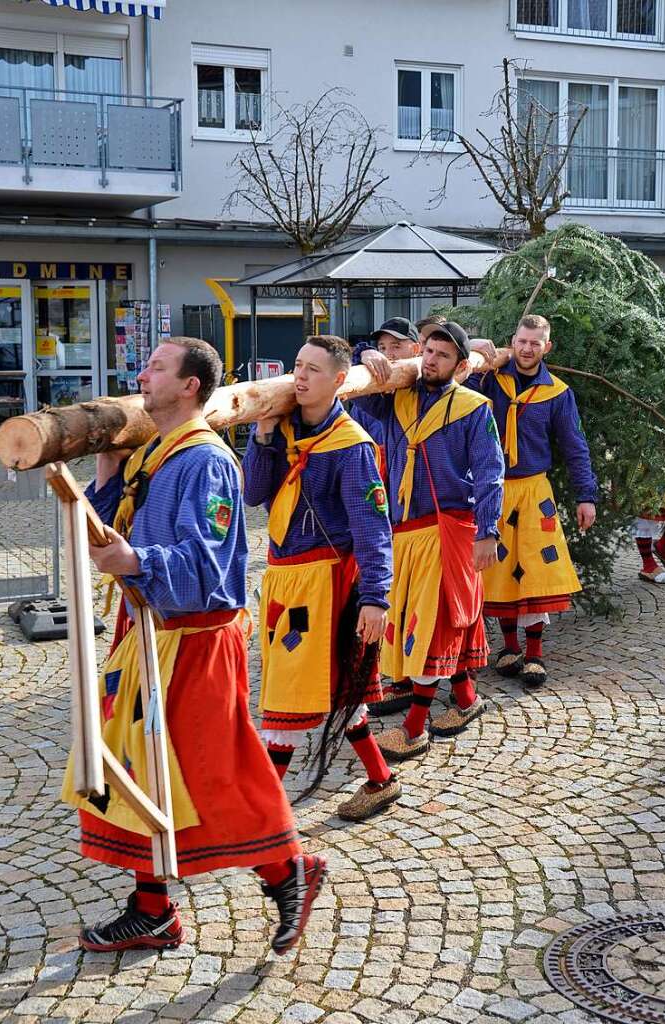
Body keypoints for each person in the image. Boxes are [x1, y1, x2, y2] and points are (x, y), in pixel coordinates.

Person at [61, 337, 326, 956]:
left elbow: (206, 563)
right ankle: (152, 909)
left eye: (157, 367)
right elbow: (111, 529)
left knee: (213, 771)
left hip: (198, 640)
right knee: (139, 771)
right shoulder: (153, 452)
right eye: (145, 365)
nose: (143, 375)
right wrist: (104, 475)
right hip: (149, 633)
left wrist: (136, 558)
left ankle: (290, 872)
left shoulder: (206, 462)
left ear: (190, 386)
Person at [243, 335, 400, 822]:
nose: (300, 377)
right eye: (296, 365)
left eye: (313, 369)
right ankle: (380, 778)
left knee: (290, 691)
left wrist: (376, 597)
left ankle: (261, 810)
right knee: (333, 686)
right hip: (283, 576)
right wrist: (264, 435)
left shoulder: (351, 447)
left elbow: (372, 526)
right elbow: (252, 492)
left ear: (337, 381)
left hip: (326, 584)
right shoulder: (284, 429)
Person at [350, 321, 504, 759]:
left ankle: (415, 727)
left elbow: (490, 472)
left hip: (448, 529)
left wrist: (487, 531)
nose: (432, 361)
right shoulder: (396, 400)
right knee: (421, 619)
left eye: (443, 355)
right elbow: (354, 389)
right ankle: (468, 700)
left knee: (435, 621)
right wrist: (366, 353)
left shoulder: (474, 408)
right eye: (429, 352)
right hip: (403, 530)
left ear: (459, 365)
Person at [469, 315, 597, 687]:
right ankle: (509, 647)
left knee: (536, 569)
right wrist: (476, 349)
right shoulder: (489, 380)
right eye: (522, 341)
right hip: (492, 488)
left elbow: (575, 447)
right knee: (499, 568)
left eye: (535, 343)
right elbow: (456, 381)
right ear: (514, 341)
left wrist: (585, 496)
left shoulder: (557, 392)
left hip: (534, 490)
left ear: (547, 347)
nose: (527, 349)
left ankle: (535, 654)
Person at [351, 317, 423, 716]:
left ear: (416, 350)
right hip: (375, 502)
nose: (390, 354)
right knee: (385, 594)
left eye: (398, 346)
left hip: (418, 513)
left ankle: (415, 680)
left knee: (412, 600)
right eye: (385, 345)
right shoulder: (375, 389)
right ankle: (393, 675)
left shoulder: (426, 387)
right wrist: (365, 350)